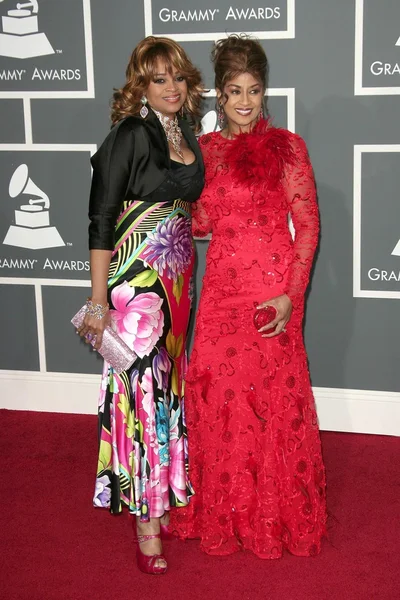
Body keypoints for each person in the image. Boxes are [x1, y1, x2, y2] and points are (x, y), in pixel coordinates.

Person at [170, 35, 327, 559]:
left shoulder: (288, 147)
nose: (244, 101)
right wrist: (168, 191)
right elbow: (205, 221)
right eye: (234, 90)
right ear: (219, 93)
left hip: (271, 291)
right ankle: (228, 511)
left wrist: (290, 296)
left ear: (265, 93)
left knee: (272, 406)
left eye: (253, 91)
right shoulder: (207, 150)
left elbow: (307, 226)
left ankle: (272, 515)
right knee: (220, 400)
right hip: (221, 294)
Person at [77, 36, 204, 574]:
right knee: (138, 392)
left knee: (165, 388)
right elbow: (102, 217)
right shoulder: (130, 134)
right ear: (141, 86)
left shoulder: (187, 132)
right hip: (136, 282)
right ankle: (144, 518)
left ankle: (165, 487)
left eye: (177, 77)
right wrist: (100, 298)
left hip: (177, 283)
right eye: (159, 79)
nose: (171, 87)